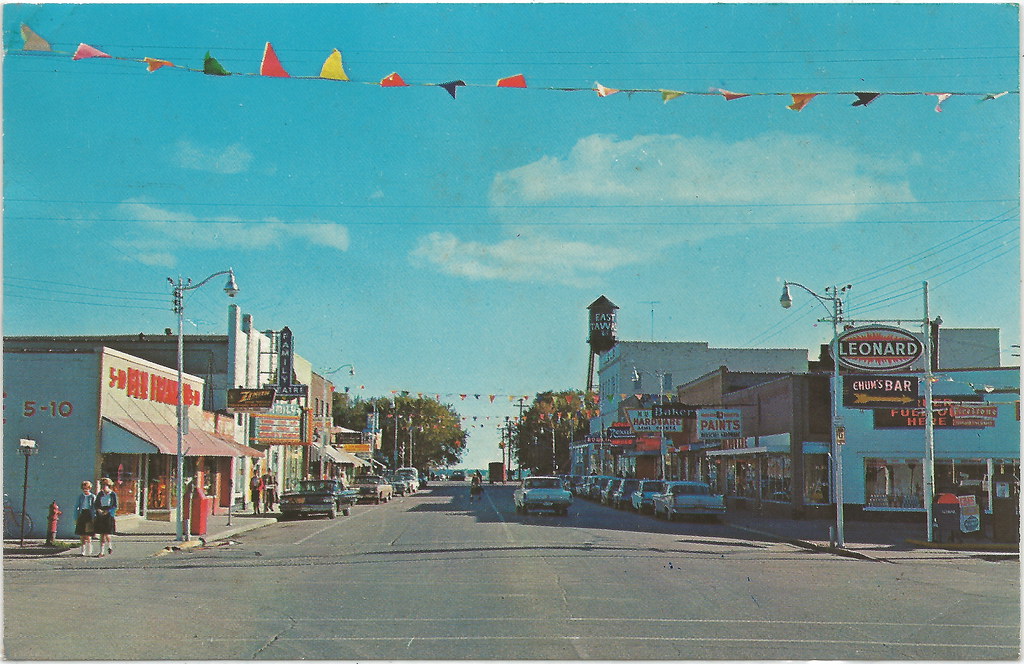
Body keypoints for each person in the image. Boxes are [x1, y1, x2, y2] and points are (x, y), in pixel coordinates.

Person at [92, 478, 118, 557]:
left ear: (109, 485)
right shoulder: (100, 494)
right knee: (101, 534)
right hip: (101, 514)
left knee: (107, 533)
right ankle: (101, 551)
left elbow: (115, 506)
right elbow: (96, 504)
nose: (103, 486)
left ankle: (109, 546)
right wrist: (98, 510)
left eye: (105, 485)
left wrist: (109, 511)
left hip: (109, 514)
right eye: (102, 485)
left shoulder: (112, 494)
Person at [73, 481, 96, 557]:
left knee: (88, 534)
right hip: (82, 514)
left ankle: (89, 548)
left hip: (89, 515)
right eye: (83, 488)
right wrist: (76, 517)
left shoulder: (92, 497)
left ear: (89, 488)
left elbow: (94, 507)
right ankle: (83, 550)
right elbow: (76, 507)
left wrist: (94, 517)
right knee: (82, 534)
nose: (85, 490)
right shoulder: (80, 496)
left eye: (87, 488)